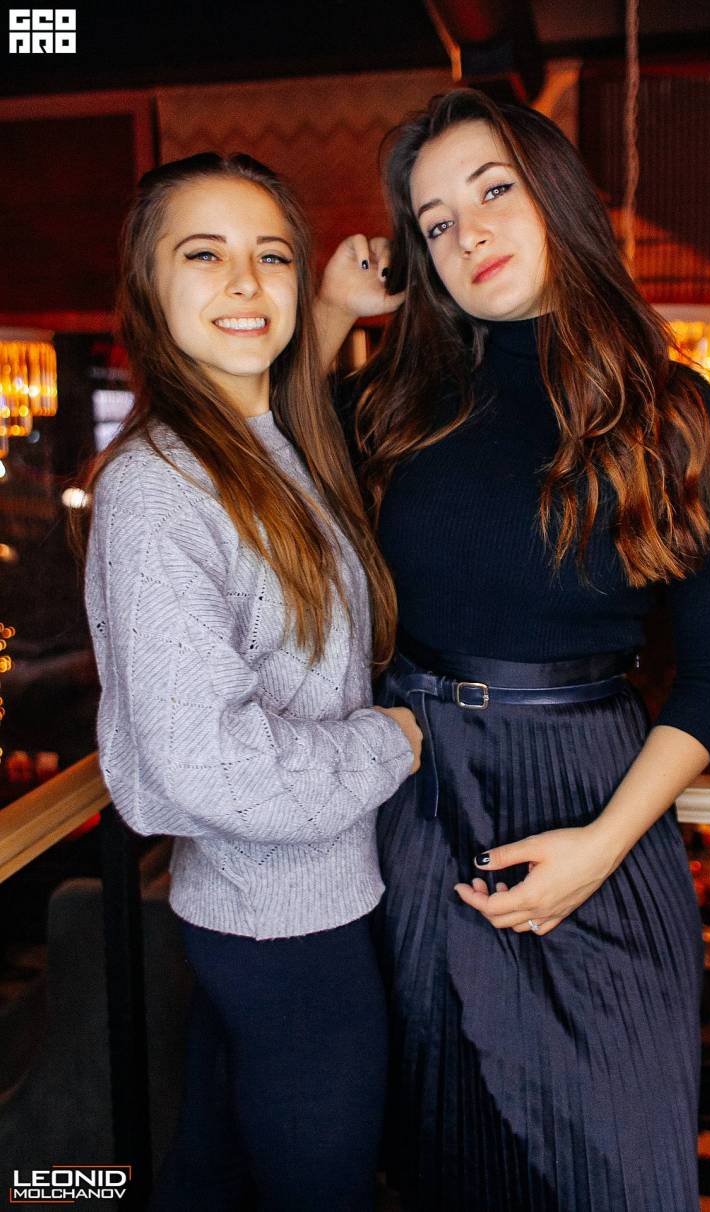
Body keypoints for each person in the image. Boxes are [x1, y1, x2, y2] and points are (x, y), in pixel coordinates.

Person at [320, 89, 710, 1211]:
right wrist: (328, 313)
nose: (467, 235)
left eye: (492, 191)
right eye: (435, 224)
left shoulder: (675, 415)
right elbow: (266, 454)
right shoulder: (397, 403)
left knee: (616, 1168)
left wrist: (604, 847)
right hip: (420, 800)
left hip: (596, 801)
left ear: (555, 193)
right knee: (446, 1157)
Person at [81, 152, 422, 1212]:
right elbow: (212, 764)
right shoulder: (158, 487)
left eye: (271, 255)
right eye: (204, 254)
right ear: (148, 286)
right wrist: (395, 741)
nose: (244, 281)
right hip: (280, 931)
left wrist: (333, 308)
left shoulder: (265, 442)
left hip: (287, 909)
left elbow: (277, 367)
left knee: (212, 1182)